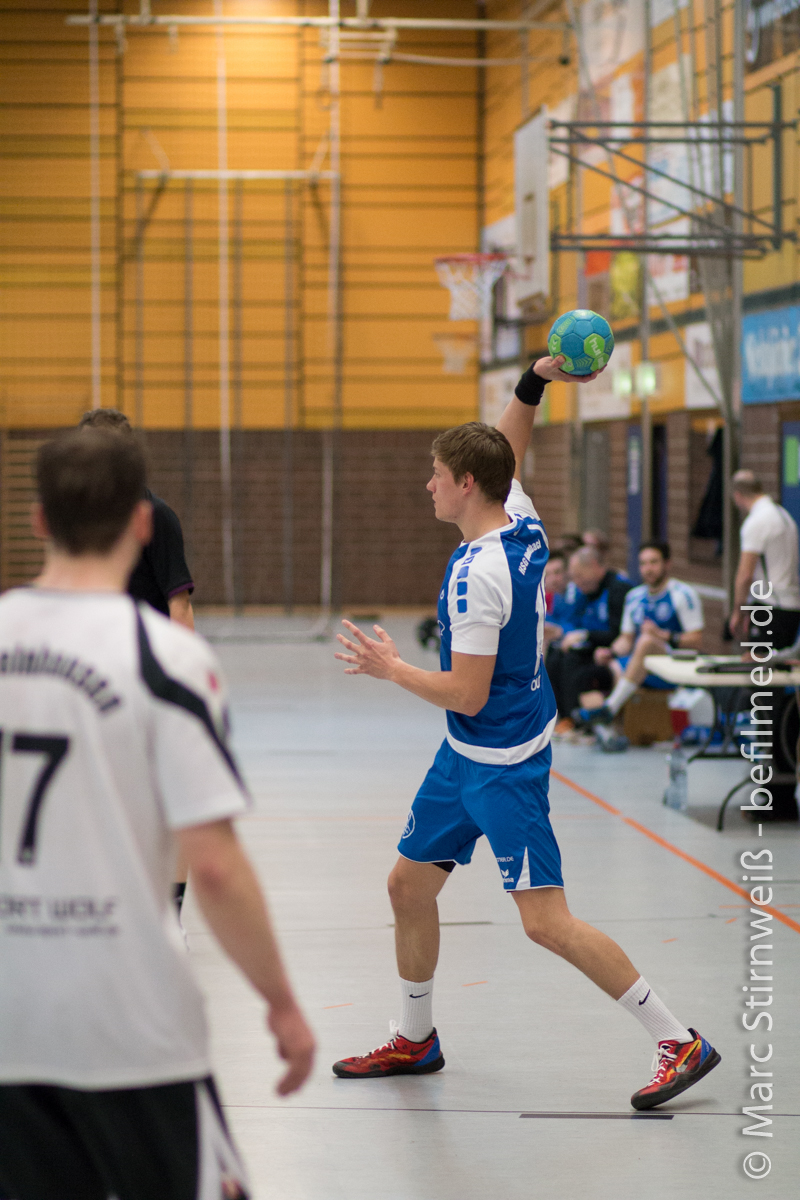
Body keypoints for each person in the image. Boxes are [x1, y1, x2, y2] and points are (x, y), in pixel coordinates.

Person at [329, 356, 719, 1112]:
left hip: (502, 763)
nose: (429, 485)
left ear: (465, 485)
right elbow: (504, 450)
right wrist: (533, 384)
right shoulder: (523, 520)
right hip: (465, 755)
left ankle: (679, 1040)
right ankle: (416, 1038)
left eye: (436, 475)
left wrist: (391, 669)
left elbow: (466, 692)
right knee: (408, 886)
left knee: (546, 922)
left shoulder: (478, 576)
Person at [0, 429, 315, 1200]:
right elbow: (214, 867)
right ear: (142, 524)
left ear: (38, 520)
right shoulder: (167, 660)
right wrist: (281, 1003)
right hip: (129, 1018)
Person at [79, 408, 195, 915]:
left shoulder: (156, 517)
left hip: (147, 679)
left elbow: (179, 606)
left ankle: (171, 915)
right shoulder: (81, 523)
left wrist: (179, 682)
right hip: (94, 682)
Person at [576, 541, 704, 747]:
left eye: (654, 562)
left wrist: (662, 635)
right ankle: (607, 734)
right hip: (641, 666)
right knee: (593, 672)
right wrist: (610, 652)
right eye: (643, 563)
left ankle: (610, 709)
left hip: (675, 666)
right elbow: (626, 640)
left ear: (667, 564)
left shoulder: (682, 594)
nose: (648, 569)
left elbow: (696, 640)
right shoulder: (634, 597)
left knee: (646, 642)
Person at [78, 408, 195, 631]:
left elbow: (179, 603)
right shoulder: (81, 515)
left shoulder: (157, 516)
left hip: (143, 645)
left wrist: (180, 652)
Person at [545, 546, 632, 723]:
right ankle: (558, 716)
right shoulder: (585, 591)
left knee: (574, 663)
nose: (576, 582)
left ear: (594, 566)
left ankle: (575, 720)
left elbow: (618, 635)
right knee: (556, 653)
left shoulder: (618, 589)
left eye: (579, 576)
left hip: (611, 652)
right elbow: (574, 622)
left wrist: (585, 635)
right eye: (573, 577)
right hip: (592, 646)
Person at [729, 469, 800, 650]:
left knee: (758, 661)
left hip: (770, 605)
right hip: (791, 604)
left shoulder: (756, 522)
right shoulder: (784, 516)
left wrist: (738, 611)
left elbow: (745, 575)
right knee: (781, 664)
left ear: (737, 495)